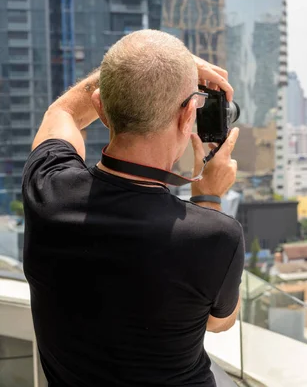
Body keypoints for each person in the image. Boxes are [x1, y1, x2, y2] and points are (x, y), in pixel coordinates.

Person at [22, 30, 243, 387]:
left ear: (100, 107)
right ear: (189, 114)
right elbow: (219, 321)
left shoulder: (48, 190)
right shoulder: (214, 234)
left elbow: (62, 110)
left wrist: (121, 78)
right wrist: (208, 198)